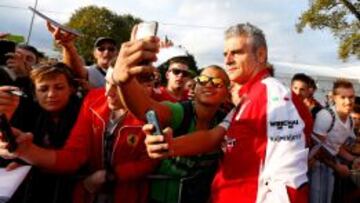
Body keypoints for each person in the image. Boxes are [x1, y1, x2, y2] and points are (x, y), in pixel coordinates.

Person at [140, 23, 313, 203]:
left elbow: (288, 180)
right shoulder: (248, 98)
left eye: (236, 52)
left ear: (260, 54)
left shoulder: (275, 97)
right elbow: (213, 137)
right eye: (225, 54)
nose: (228, 60)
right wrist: (170, 146)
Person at [0, 68, 158, 203]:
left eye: (119, 86)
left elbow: (151, 161)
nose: (108, 92)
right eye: (108, 82)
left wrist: (111, 175)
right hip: (85, 194)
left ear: (144, 86)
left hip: (128, 195)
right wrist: (25, 152)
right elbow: (74, 156)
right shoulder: (94, 99)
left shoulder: (158, 109)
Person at [112, 33, 231, 202]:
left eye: (218, 82)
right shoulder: (181, 112)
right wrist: (123, 81)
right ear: (194, 87)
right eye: (203, 79)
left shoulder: (229, 120)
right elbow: (146, 109)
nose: (209, 84)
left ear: (227, 93)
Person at [2, 62, 82, 203]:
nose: (51, 94)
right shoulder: (25, 112)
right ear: (34, 93)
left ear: (71, 89)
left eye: (59, 87)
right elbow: (6, 145)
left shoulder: (85, 113)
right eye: (43, 89)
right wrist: (17, 159)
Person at [310, 79, 360, 203]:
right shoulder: (326, 116)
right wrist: (336, 166)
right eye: (343, 97)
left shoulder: (350, 121)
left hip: (330, 165)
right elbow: (315, 149)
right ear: (334, 97)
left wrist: (353, 159)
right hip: (316, 166)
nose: (348, 101)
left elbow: (337, 147)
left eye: (351, 97)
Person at [47, 22, 118, 88]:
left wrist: (95, 91)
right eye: (101, 49)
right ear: (94, 54)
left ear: (117, 53)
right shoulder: (90, 71)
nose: (107, 52)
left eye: (111, 49)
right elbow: (75, 70)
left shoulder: (124, 73)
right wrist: (68, 46)